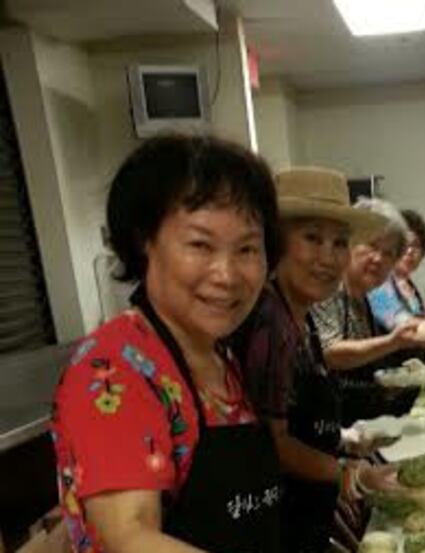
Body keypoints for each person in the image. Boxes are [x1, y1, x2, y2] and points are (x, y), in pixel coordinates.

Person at [51, 135, 282, 553]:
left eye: (247, 248)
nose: (227, 274)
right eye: (200, 245)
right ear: (145, 240)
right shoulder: (112, 367)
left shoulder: (220, 355)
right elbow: (129, 536)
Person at [232, 168, 400, 553]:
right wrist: (351, 475)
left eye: (340, 242)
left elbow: (298, 421)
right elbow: (272, 444)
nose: (328, 257)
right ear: (276, 243)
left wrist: (345, 439)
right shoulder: (268, 322)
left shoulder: (301, 316)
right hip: (279, 525)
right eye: (312, 238)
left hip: (309, 516)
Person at [312, 199, 425, 426]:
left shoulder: (364, 298)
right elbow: (329, 353)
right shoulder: (329, 289)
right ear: (348, 245)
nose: (378, 258)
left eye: (389, 253)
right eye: (371, 245)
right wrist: (393, 341)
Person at [368, 209, 425, 332]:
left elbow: (423, 319)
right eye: (406, 244)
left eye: (416, 246)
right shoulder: (379, 283)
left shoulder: (408, 285)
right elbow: (397, 320)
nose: (410, 251)